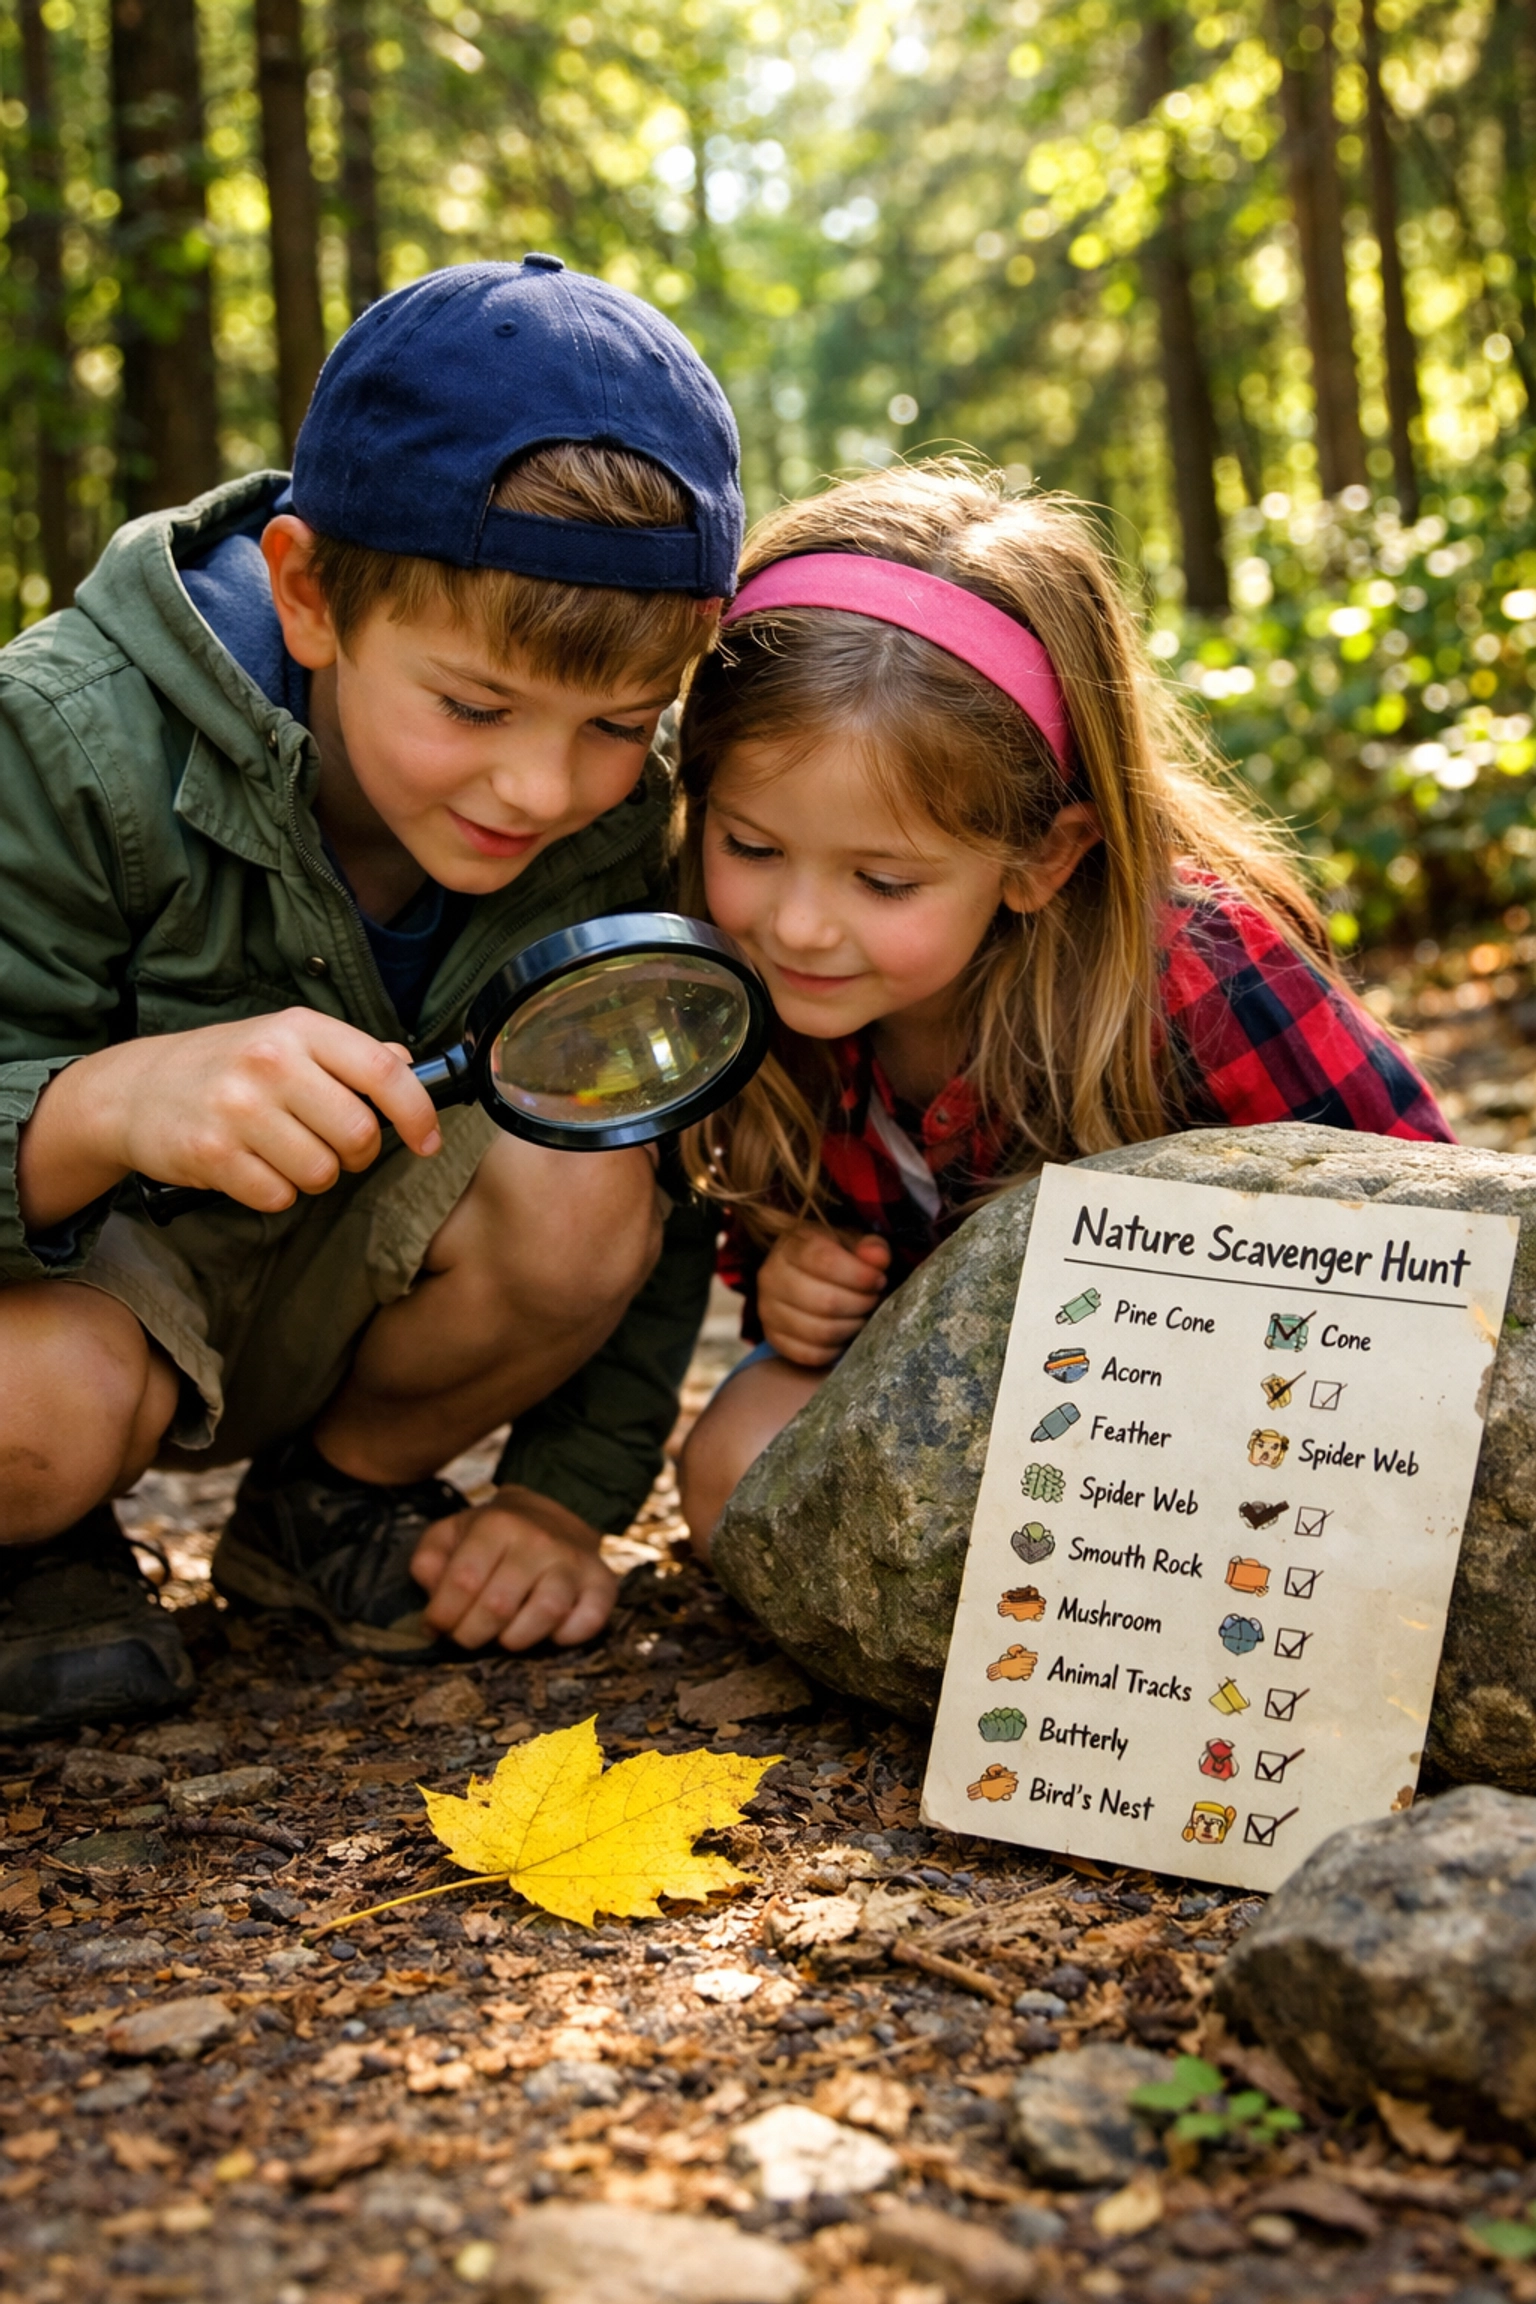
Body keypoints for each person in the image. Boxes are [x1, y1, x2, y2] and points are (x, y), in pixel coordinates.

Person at [0, 255, 744, 1731]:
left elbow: (662, 1161)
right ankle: (36, 1546)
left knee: (587, 1182)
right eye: (472, 706)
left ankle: (328, 1506)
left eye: (615, 724)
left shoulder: (616, 833)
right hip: (70, 1302)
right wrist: (92, 1110)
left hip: (338, 1290)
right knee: (34, 1422)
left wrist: (560, 1498)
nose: (538, 788)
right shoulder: (66, 744)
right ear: (309, 594)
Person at [674, 461, 1450, 1548]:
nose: (798, 926)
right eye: (752, 847)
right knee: (732, 1464)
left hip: (1221, 1424)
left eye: (882, 882)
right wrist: (788, 1285)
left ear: (1043, 855)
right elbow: (778, 1246)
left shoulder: (1198, 973)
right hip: (964, 1428)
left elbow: (1430, 1230)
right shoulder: (741, 993)